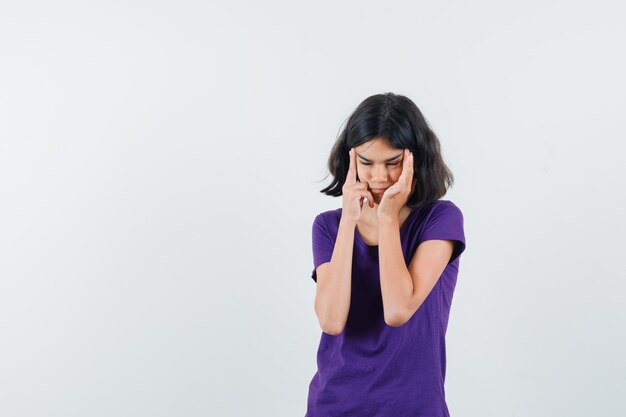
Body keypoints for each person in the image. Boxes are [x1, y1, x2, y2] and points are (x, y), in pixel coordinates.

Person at [306, 92, 467, 417]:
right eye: (366, 163)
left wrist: (388, 218)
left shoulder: (440, 219)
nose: (379, 177)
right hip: (335, 404)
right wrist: (350, 219)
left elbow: (397, 310)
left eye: (393, 163)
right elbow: (331, 320)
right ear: (350, 159)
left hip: (414, 407)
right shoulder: (328, 226)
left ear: (414, 160)